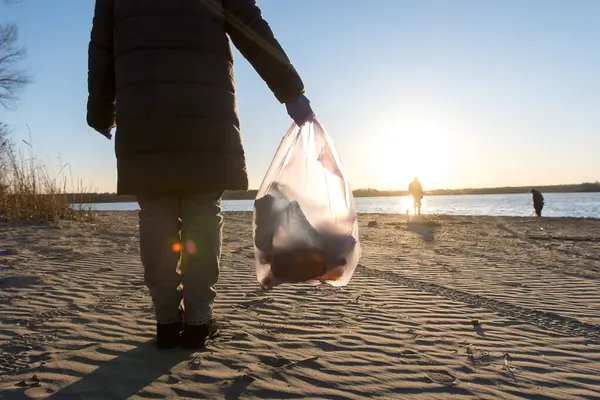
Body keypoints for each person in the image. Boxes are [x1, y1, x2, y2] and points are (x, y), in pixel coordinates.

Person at [86, 0, 313, 350]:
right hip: (206, 107)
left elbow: (102, 46)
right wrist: (290, 90)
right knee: (203, 211)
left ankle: (165, 319)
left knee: (156, 213)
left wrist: (102, 111)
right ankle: (198, 319)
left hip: (144, 108)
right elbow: (249, 26)